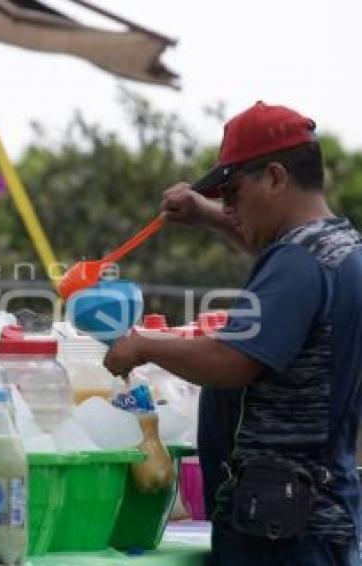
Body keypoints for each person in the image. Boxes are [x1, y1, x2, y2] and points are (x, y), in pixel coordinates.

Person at [103, 101, 362, 565]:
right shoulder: (341, 249)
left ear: (276, 178)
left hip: (280, 530)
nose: (228, 207)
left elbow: (232, 361)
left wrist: (145, 345)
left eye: (233, 192)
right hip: (321, 512)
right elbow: (267, 240)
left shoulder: (296, 263)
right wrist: (206, 213)